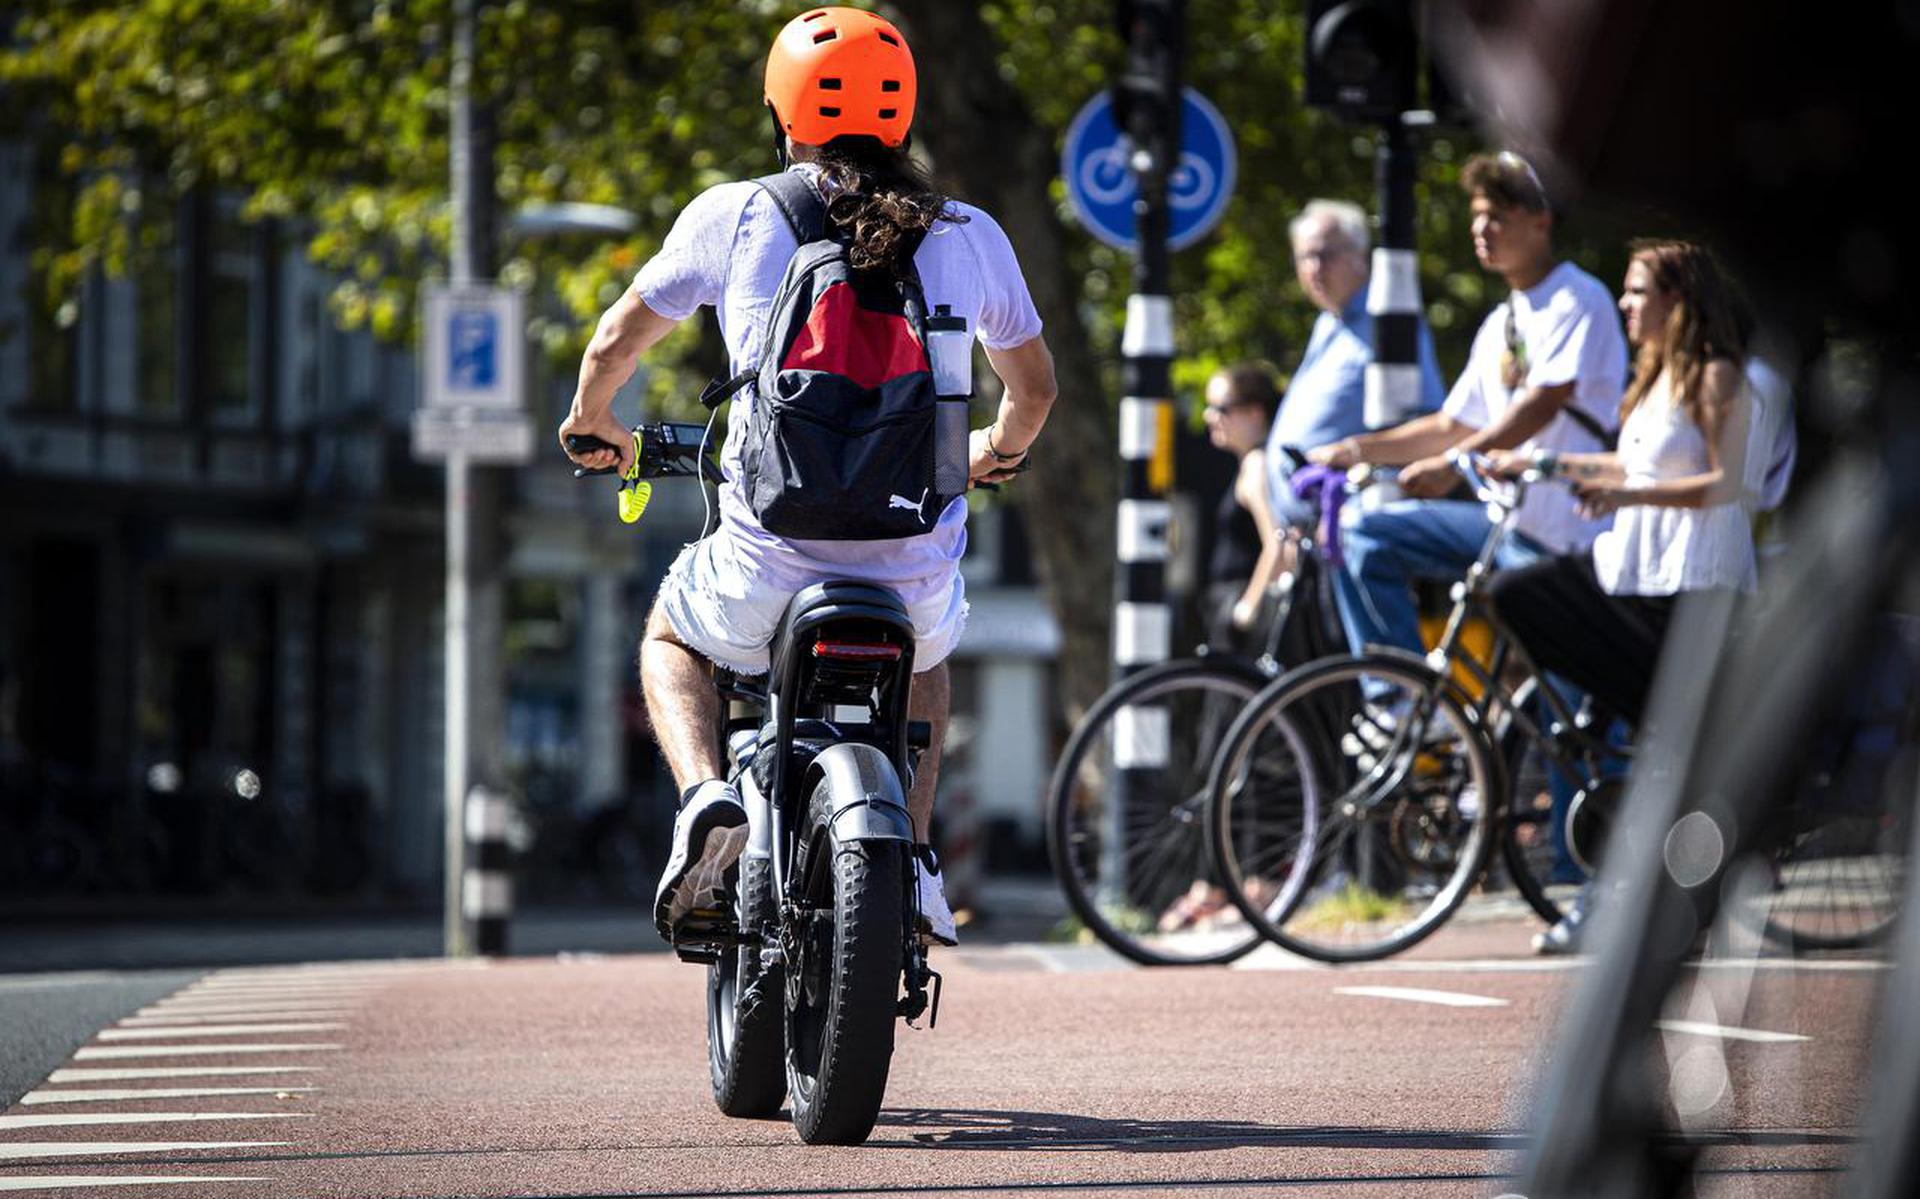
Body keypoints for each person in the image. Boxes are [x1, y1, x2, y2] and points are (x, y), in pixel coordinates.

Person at [559, 8, 1057, 951]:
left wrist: (594, 423)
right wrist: (994, 450)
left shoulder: (737, 213)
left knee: (672, 635)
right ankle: (909, 860)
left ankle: (706, 796)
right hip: (911, 556)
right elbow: (1035, 388)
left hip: (767, 555)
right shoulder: (970, 233)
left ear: (784, 114)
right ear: (904, 117)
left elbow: (613, 341)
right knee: (929, 655)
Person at [1486, 239, 1756, 951]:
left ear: (1680, 300)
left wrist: (1625, 491)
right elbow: (1629, 460)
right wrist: (1541, 462)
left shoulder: (1716, 376)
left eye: (1639, 292)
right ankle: (1677, 750)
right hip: (1638, 571)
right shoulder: (1653, 379)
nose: (1626, 304)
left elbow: (1727, 484)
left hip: (1695, 582)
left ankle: (1687, 786)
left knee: (1530, 593)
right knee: (1516, 592)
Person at [1308, 152, 1628, 681]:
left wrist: (1454, 465)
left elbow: (1540, 404)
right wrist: (1357, 449)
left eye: (1497, 216)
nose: (1482, 228)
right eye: (1477, 215)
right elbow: (1449, 424)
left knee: (1566, 715)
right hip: (1502, 525)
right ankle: (1399, 697)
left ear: (1540, 219)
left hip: (1564, 539)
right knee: (1364, 532)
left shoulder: (1578, 298)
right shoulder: (1501, 321)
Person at [1266, 200, 1445, 528]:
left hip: (1348, 530)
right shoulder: (1328, 322)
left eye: (1325, 254)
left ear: (1360, 255)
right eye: (1305, 257)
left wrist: (1369, 501)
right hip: (1302, 536)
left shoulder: (1389, 321)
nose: (1314, 268)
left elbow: (1430, 422)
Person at [1203, 363, 1286, 649]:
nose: (1209, 416)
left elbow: (1277, 542)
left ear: (1255, 413)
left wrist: (1248, 607)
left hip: (1244, 610)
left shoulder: (1257, 465)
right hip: (1231, 603)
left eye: (1221, 408)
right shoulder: (1250, 464)